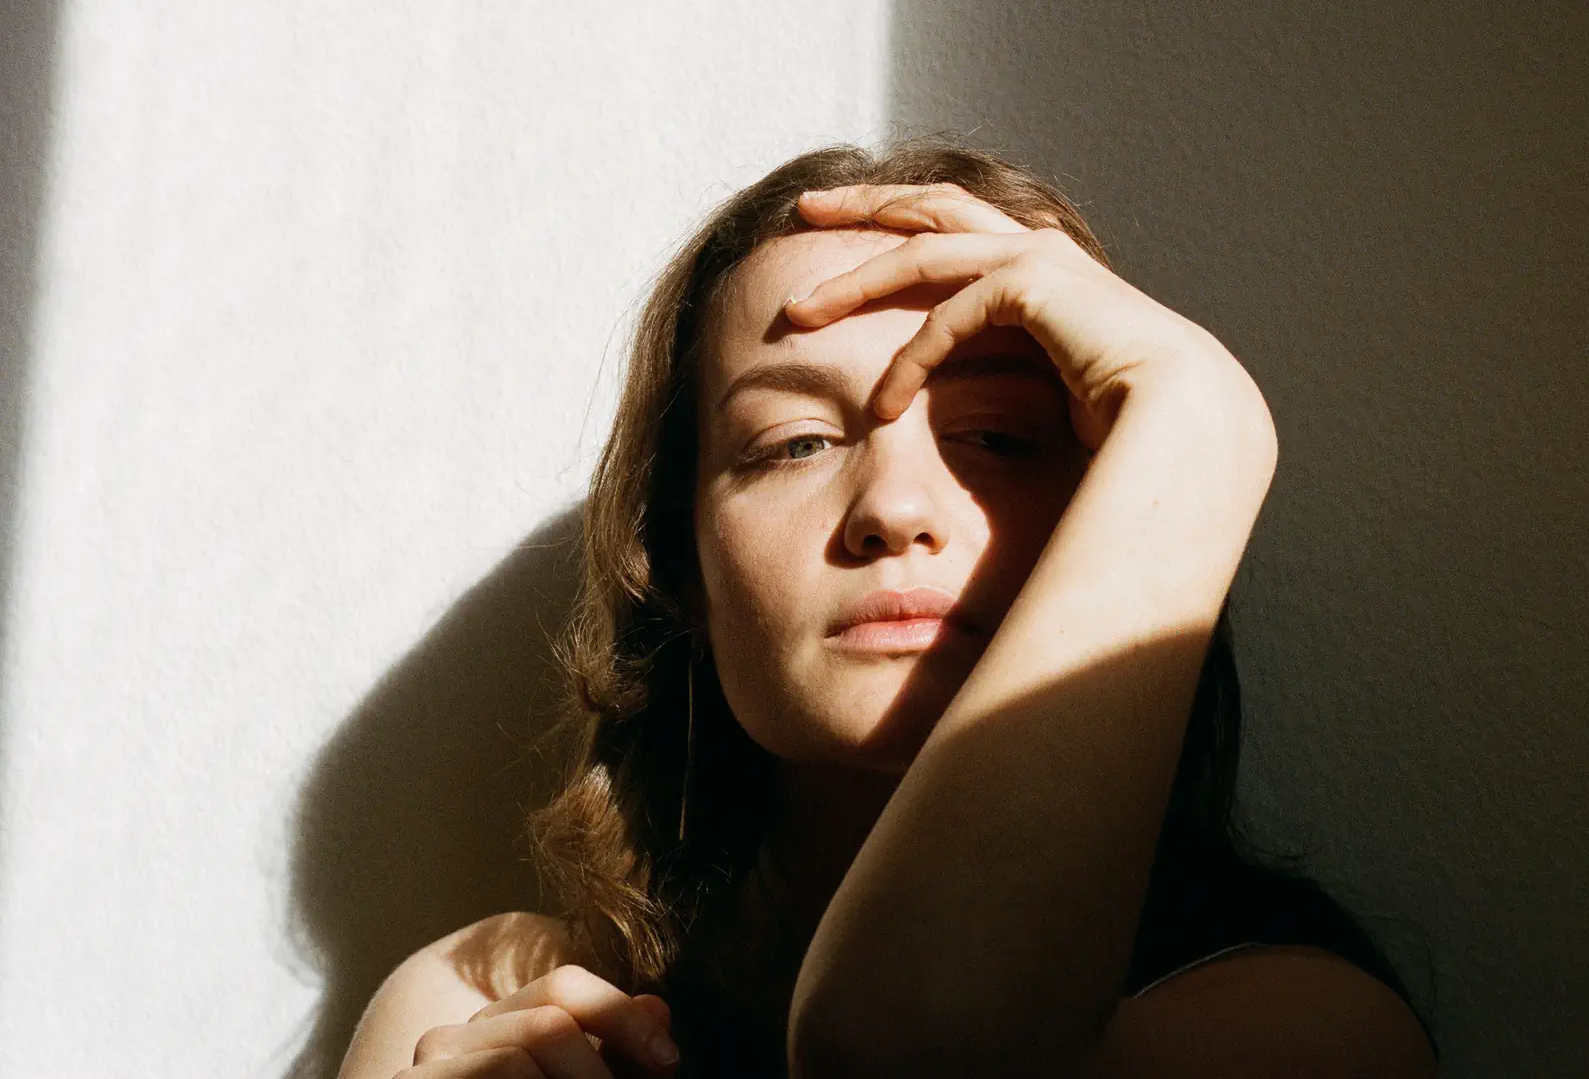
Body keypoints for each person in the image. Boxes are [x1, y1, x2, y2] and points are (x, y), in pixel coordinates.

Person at [337, 135, 1439, 1079]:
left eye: (1002, 438)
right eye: (795, 443)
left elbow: (923, 1052)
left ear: (1120, 504)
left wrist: (1204, 416)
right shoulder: (479, 1006)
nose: (895, 509)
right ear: (676, 561)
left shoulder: (1294, 1028)